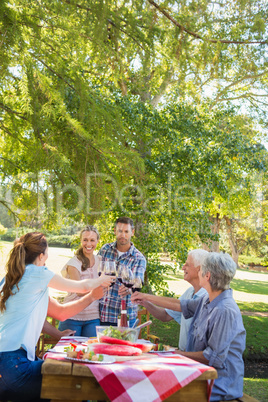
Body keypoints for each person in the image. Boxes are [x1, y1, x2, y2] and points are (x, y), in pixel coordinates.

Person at [0, 232, 113, 402]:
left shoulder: (10, 279)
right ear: (41, 256)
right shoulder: (37, 273)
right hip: (15, 366)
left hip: (6, 368)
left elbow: (61, 312)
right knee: (76, 385)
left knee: (59, 381)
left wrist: (91, 297)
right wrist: (103, 278)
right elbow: (82, 286)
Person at [131, 252, 246, 402]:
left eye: (201, 270)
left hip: (219, 384)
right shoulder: (208, 298)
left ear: (207, 276)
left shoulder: (225, 310)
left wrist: (174, 353)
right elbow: (180, 305)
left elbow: (213, 358)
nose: (198, 272)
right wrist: (145, 297)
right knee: (149, 385)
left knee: (156, 390)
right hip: (201, 374)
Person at [139, 249, 208, 351]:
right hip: (185, 356)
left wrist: (146, 296)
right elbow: (165, 315)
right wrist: (144, 302)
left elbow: (178, 305)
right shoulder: (189, 292)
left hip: (197, 359)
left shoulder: (207, 297)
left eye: (187, 265)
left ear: (199, 269)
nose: (183, 267)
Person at [98, 217, 146, 328]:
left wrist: (129, 289)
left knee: (125, 345)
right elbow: (97, 273)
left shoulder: (139, 258)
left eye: (126, 231)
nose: (123, 235)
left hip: (126, 315)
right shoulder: (105, 249)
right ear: (115, 231)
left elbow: (138, 283)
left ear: (132, 232)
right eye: (120, 231)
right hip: (104, 312)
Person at [58, 225, 102, 337]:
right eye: (85, 240)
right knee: (68, 351)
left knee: (90, 352)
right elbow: (78, 290)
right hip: (72, 316)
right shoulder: (74, 264)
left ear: (97, 241)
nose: (88, 244)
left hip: (93, 317)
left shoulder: (100, 261)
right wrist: (99, 288)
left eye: (92, 240)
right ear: (81, 241)